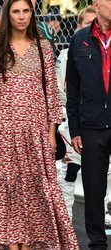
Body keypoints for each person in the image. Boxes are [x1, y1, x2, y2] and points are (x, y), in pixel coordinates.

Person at [0, 0, 79, 249]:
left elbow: (50, 93)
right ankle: (8, 242)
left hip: (35, 130)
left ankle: (30, 241)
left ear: (31, 14)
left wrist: (52, 133)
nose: (21, 16)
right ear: (8, 15)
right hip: (3, 129)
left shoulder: (43, 47)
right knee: (4, 185)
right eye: (16, 11)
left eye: (25, 11)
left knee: (34, 187)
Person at [66, 0, 111, 249]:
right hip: (91, 125)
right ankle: (97, 242)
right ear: (97, 4)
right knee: (94, 187)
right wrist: (75, 128)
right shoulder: (80, 38)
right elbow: (72, 87)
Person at [56, 5, 97, 221]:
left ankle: (106, 208)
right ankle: (66, 219)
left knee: (104, 172)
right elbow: (62, 92)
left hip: (99, 121)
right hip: (71, 120)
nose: (90, 28)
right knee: (69, 172)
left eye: (94, 23)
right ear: (78, 27)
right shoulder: (66, 54)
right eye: (86, 24)